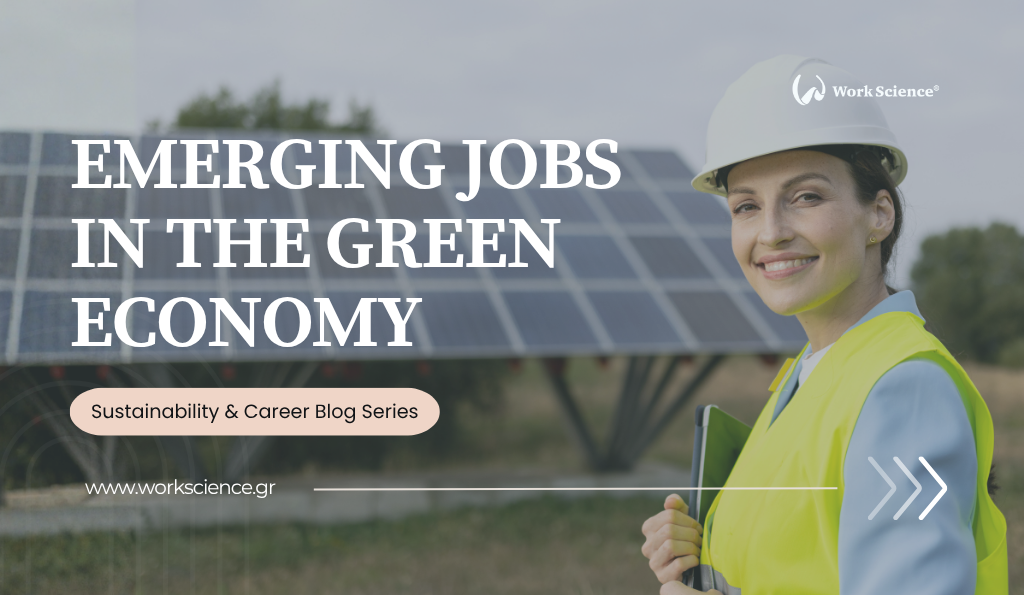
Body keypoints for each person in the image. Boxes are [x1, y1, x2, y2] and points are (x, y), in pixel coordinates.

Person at [640, 55, 1007, 595]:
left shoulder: (903, 389)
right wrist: (704, 553)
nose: (771, 232)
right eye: (745, 206)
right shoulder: (809, 378)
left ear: (879, 214)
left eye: (805, 197)